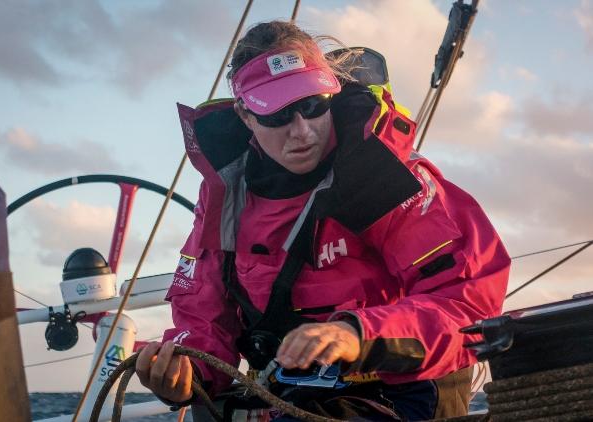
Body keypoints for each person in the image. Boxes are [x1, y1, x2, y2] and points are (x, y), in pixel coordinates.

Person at [136, 21, 510, 421]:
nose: (303, 131)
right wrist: (184, 370)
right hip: (292, 395)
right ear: (246, 116)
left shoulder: (381, 174)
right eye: (278, 115)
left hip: (405, 390)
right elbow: (204, 319)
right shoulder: (229, 195)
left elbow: (467, 303)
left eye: (313, 105)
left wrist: (358, 334)